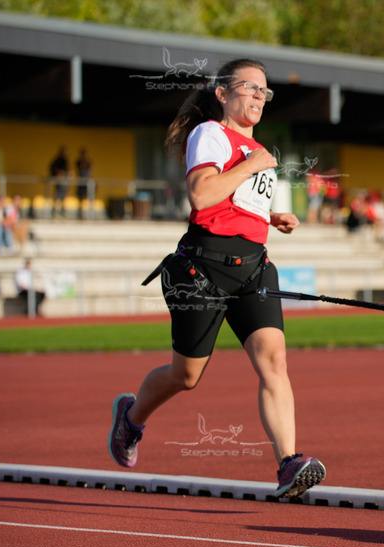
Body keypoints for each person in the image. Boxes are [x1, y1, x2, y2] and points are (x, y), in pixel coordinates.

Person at [108, 58, 325, 499]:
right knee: (185, 376)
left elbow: (236, 203)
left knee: (274, 363)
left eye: (265, 91)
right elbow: (203, 193)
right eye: (249, 87)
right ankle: (131, 417)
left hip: (253, 269)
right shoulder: (209, 133)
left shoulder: (258, 152)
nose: (259, 97)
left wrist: (271, 215)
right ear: (223, 94)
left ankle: (288, 464)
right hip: (203, 270)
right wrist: (252, 164)